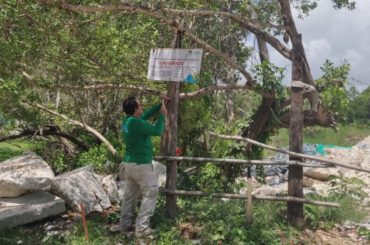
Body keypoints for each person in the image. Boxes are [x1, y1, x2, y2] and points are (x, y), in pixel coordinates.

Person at [114, 96, 167, 238]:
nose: (142, 107)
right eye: (140, 105)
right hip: (141, 165)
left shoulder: (128, 121)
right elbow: (158, 131)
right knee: (151, 193)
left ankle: (124, 227)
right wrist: (162, 115)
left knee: (129, 197)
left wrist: (159, 105)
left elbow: (145, 115)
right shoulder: (135, 123)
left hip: (129, 165)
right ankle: (142, 228)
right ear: (135, 109)